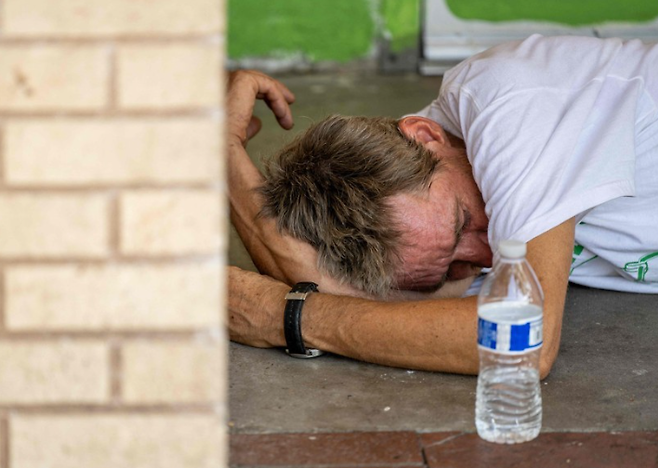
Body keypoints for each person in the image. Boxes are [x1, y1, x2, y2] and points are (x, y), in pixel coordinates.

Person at [227, 35, 658, 376]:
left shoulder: (510, 104)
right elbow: (319, 282)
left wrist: (283, 319)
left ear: (426, 135)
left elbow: (523, 336)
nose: (486, 255)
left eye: (463, 224)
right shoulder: (433, 210)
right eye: (452, 270)